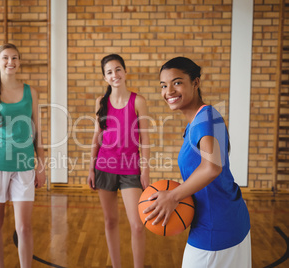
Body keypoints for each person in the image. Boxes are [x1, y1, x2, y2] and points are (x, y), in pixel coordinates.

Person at [144, 57, 251, 267]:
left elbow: (212, 167)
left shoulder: (206, 118)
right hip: (229, 220)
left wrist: (173, 195)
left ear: (195, 82)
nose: (169, 92)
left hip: (215, 230)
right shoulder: (202, 119)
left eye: (177, 82)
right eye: (163, 86)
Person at [0, 43, 46, 268]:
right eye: (5, 58)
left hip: (24, 165)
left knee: (24, 227)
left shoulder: (30, 92)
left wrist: (41, 166)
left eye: (15, 58)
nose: (11, 62)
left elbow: (38, 134)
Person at [87, 54, 150, 268]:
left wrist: (145, 172)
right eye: (109, 72)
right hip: (104, 167)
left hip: (130, 170)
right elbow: (96, 137)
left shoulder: (138, 101)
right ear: (105, 77)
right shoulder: (101, 102)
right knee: (111, 221)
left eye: (118, 69)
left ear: (125, 71)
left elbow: (145, 140)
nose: (115, 75)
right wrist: (91, 169)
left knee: (138, 224)